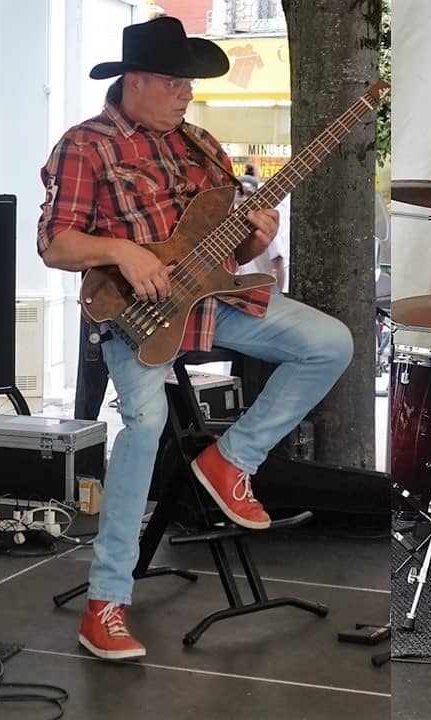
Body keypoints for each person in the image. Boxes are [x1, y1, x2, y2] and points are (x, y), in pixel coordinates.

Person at [36, 17, 352, 661]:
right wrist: (122, 251)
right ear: (137, 81)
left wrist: (256, 236)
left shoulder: (202, 144)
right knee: (145, 427)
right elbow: (55, 243)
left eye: (188, 84)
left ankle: (232, 460)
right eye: (176, 82)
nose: (186, 94)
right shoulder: (85, 145)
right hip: (136, 316)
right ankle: (106, 603)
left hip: (211, 303)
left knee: (330, 342)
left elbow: (227, 239)